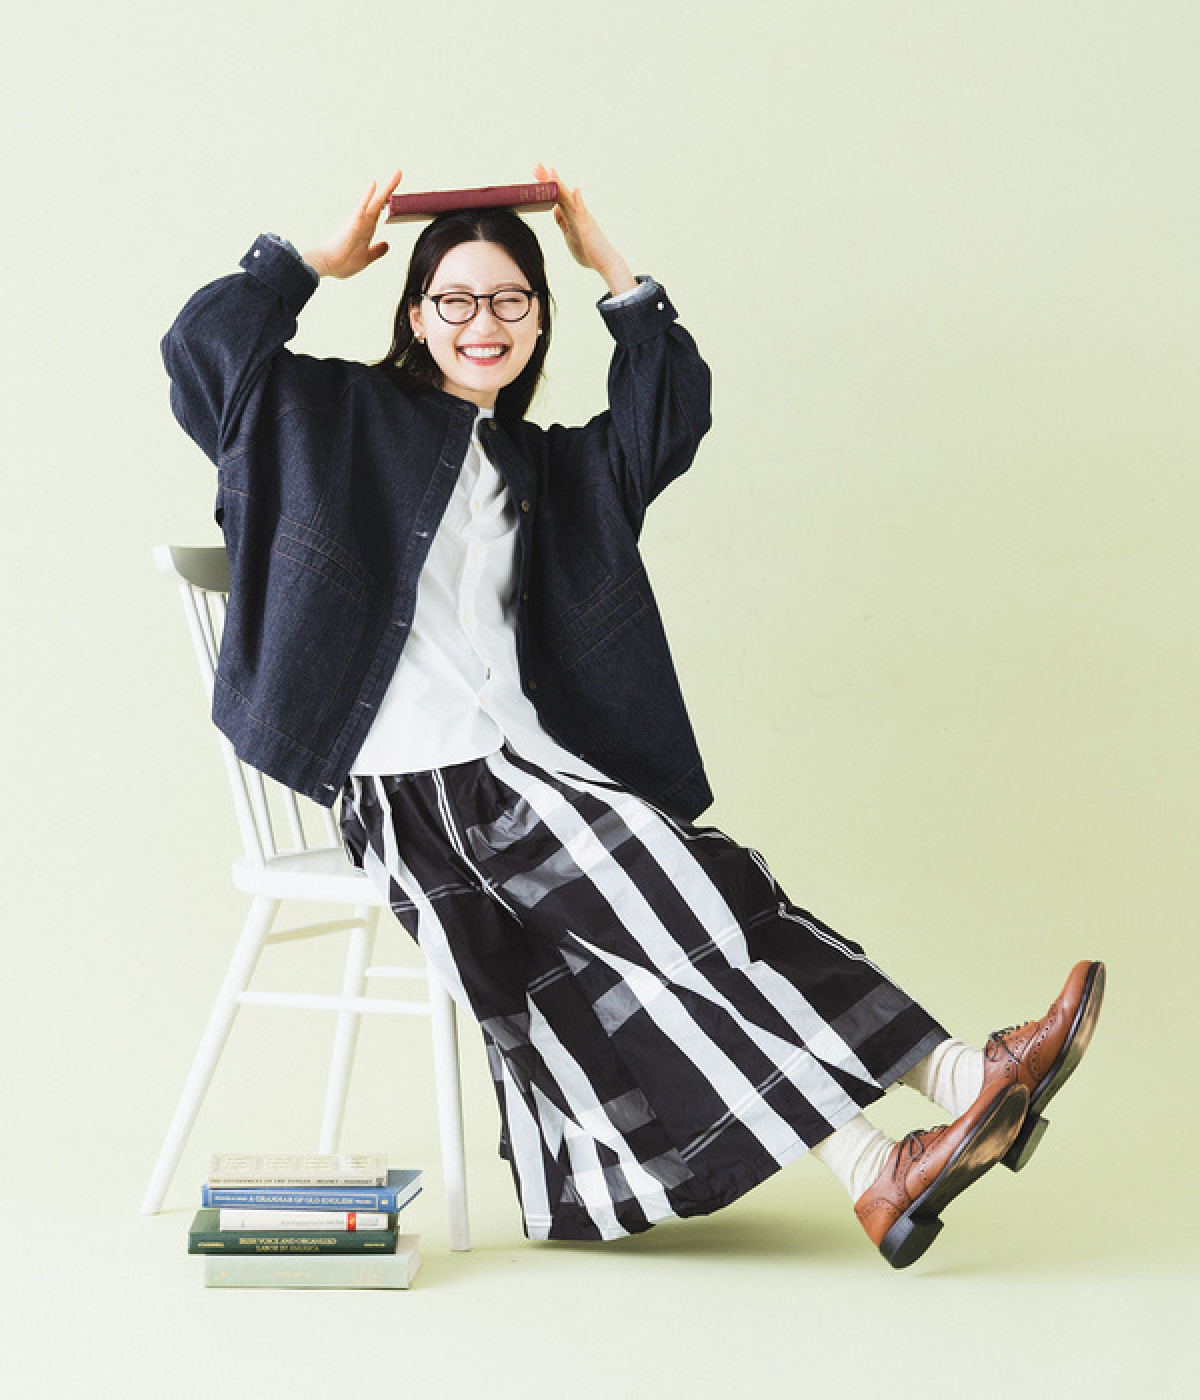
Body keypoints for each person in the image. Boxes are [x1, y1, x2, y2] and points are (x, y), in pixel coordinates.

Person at [162, 167, 1104, 1268]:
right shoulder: (330, 417)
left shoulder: (542, 466)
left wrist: (611, 267)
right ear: (415, 316)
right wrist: (310, 264)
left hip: (522, 770)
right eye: (455, 300)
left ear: (538, 322)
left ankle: (930, 1112)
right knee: (675, 897)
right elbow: (201, 356)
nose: (483, 323)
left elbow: (668, 416)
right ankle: (907, 1130)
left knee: (723, 891)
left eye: (511, 300)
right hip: (417, 788)